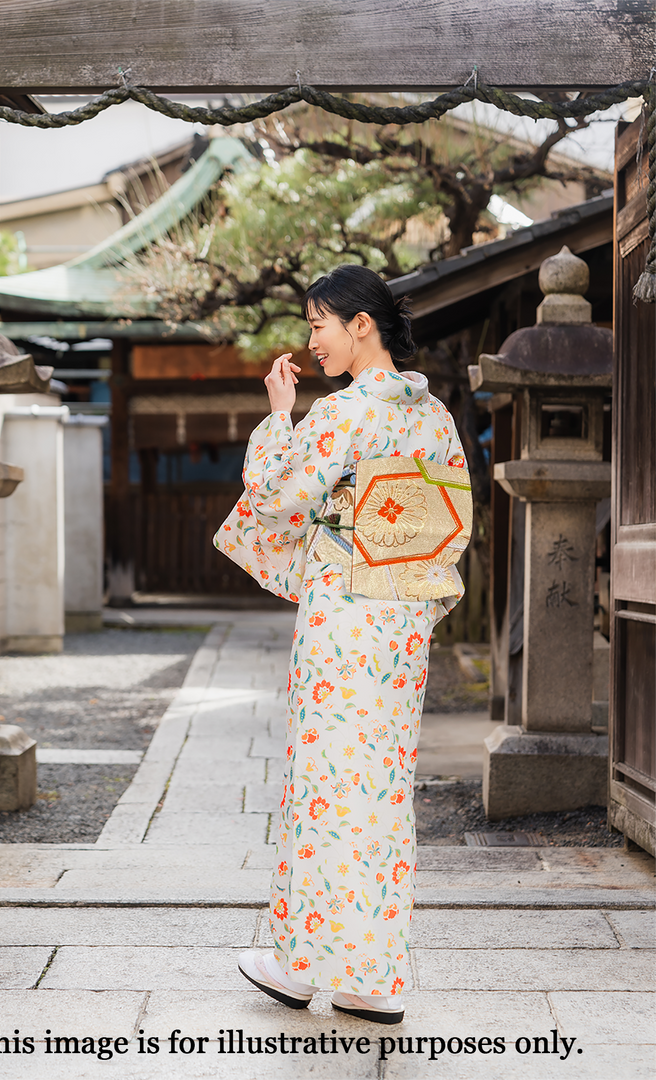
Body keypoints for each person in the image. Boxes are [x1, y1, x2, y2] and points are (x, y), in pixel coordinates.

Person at [214, 263, 469, 1024]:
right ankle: (372, 978)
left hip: (343, 622)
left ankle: (301, 964)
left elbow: (273, 499)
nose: (313, 339)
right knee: (382, 794)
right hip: (399, 630)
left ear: (362, 325)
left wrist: (279, 414)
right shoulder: (435, 419)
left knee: (325, 790)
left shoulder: (344, 414)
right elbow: (442, 537)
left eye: (320, 322)